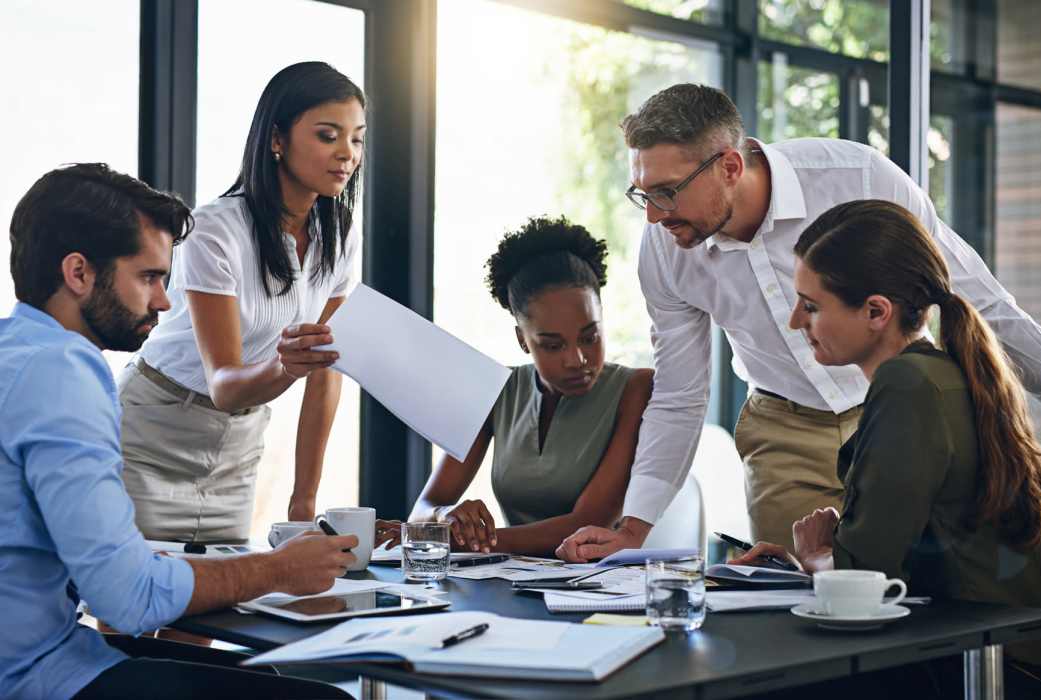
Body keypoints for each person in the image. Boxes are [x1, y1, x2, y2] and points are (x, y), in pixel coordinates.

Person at [556, 83, 1041, 562]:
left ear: (728, 165)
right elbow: (680, 393)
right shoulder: (667, 249)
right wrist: (632, 529)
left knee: (912, 607)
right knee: (797, 620)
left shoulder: (857, 180)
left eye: (667, 191)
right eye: (643, 193)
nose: (653, 215)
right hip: (784, 432)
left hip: (895, 418)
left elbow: (985, 306)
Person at [0, 163, 357, 699]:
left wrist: (135, 557)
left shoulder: (16, 352)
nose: (165, 302)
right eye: (149, 277)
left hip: (47, 647)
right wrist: (277, 569)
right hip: (38, 676)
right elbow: (126, 599)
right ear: (78, 273)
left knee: (265, 678)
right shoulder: (65, 374)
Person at [731, 199, 1041, 697]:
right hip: (1001, 654)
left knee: (753, 675)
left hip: (979, 667)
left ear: (875, 312)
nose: (796, 322)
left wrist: (817, 554)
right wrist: (811, 560)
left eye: (812, 305)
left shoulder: (907, 385)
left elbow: (866, 577)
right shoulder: (944, 372)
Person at [121, 61, 365, 543]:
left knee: (218, 607)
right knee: (126, 610)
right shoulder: (215, 230)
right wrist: (287, 367)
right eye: (327, 135)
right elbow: (225, 384)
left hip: (238, 446)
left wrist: (304, 499)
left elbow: (326, 371)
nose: (346, 154)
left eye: (356, 139)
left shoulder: (339, 233)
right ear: (277, 139)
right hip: (153, 432)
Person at [379, 217, 653, 556]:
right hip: (513, 582)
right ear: (523, 340)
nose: (577, 359)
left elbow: (587, 523)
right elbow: (425, 507)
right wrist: (445, 517)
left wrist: (464, 540)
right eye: (553, 345)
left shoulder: (636, 389)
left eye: (590, 337)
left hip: (606, 588)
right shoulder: (496, 389)